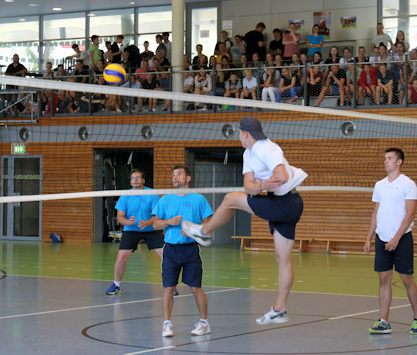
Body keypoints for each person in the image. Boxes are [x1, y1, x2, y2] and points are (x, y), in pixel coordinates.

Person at [182, 117, 307, 325]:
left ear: (245, 133)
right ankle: (279, 309)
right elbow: (248, 186)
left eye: (239, 133)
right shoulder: (248, 153)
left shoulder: (266, 148)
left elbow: (282, 176)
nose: (238, 136)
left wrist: (261, 185)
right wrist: (259, 186)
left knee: (230, 199)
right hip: (282, 202)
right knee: (282, 259)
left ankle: (204, 232)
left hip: (285, 203)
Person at [363, 148, 417, 335]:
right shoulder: (379, 185)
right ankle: (383, 321)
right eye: (385, 158)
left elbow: (410, 214)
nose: (386, 161)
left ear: (399, 162)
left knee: (406, 280)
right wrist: (369, 237)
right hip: (382, 238)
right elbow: (376, 211)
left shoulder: (408, 184)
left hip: (402, 239)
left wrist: (396, 239)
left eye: (389, 158)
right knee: (383, 279)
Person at [152, 165, 213, 337]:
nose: (175, 177)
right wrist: (169, 221)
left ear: (188, 178)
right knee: (168, 288)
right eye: (173, 174)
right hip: (170, 250)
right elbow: (155, 224)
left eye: (179, 174)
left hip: (191, 250)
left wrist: (194, 230)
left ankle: (204, 323)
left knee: (196, 288)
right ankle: (167, 324)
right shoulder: (165, 199)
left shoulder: (199, 199)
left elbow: (208, 224)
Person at [105, 169, 164, 295]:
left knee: (166, 256)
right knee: (121, 257)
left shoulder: (152, 194)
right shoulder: (125, 196)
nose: (135, 180)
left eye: (138, 177)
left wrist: (147, 223)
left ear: (143, 180)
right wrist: (127, 222)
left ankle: (171, 286)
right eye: (133, 178)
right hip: (131, 230)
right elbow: (120, 217)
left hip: (151, 229)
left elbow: (157, 216)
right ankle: (116, 285)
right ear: (130, 181)